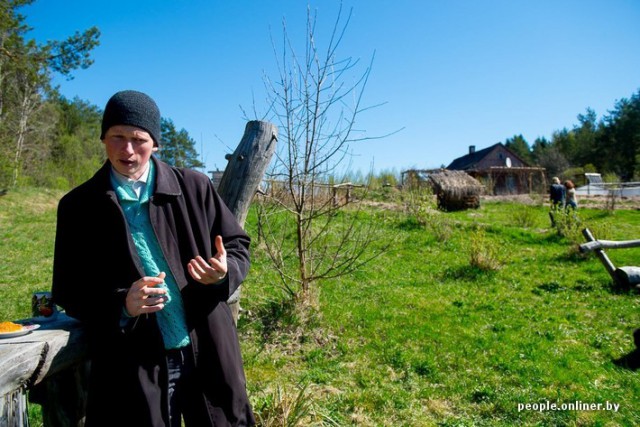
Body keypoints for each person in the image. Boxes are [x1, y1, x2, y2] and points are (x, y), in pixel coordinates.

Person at [52, 90, 255, 426]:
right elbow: (69, 290)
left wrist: (224, 271)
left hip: (208, 348)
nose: (127, 150)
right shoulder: (79, 206)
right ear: (103, 139)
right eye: (117, 137)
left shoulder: (194, 187)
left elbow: (237, 245)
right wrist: (122, 304)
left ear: (156, 143)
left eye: (138, 139)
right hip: (133, 362)